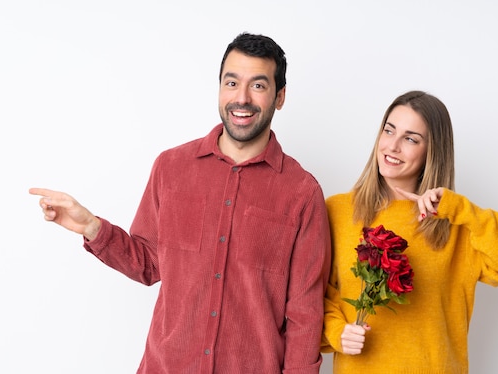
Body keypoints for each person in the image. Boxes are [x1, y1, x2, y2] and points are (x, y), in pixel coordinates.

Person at [30, 32, 331, 374]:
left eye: (258, 86)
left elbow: (305, 313)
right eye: (231, 83)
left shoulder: (301, 192)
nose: (242, 98)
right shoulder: (171, 168)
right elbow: (148, 264)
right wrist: (92, 228)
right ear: (220, 88)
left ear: (280, 96)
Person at [320, 90, 498, 373]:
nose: (393, 146)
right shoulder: (336, 211)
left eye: (411, 139)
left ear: (432, 151)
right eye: (389, 130)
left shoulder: (456, 225)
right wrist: (337, 331)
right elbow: (311, 295)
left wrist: (459, 209)